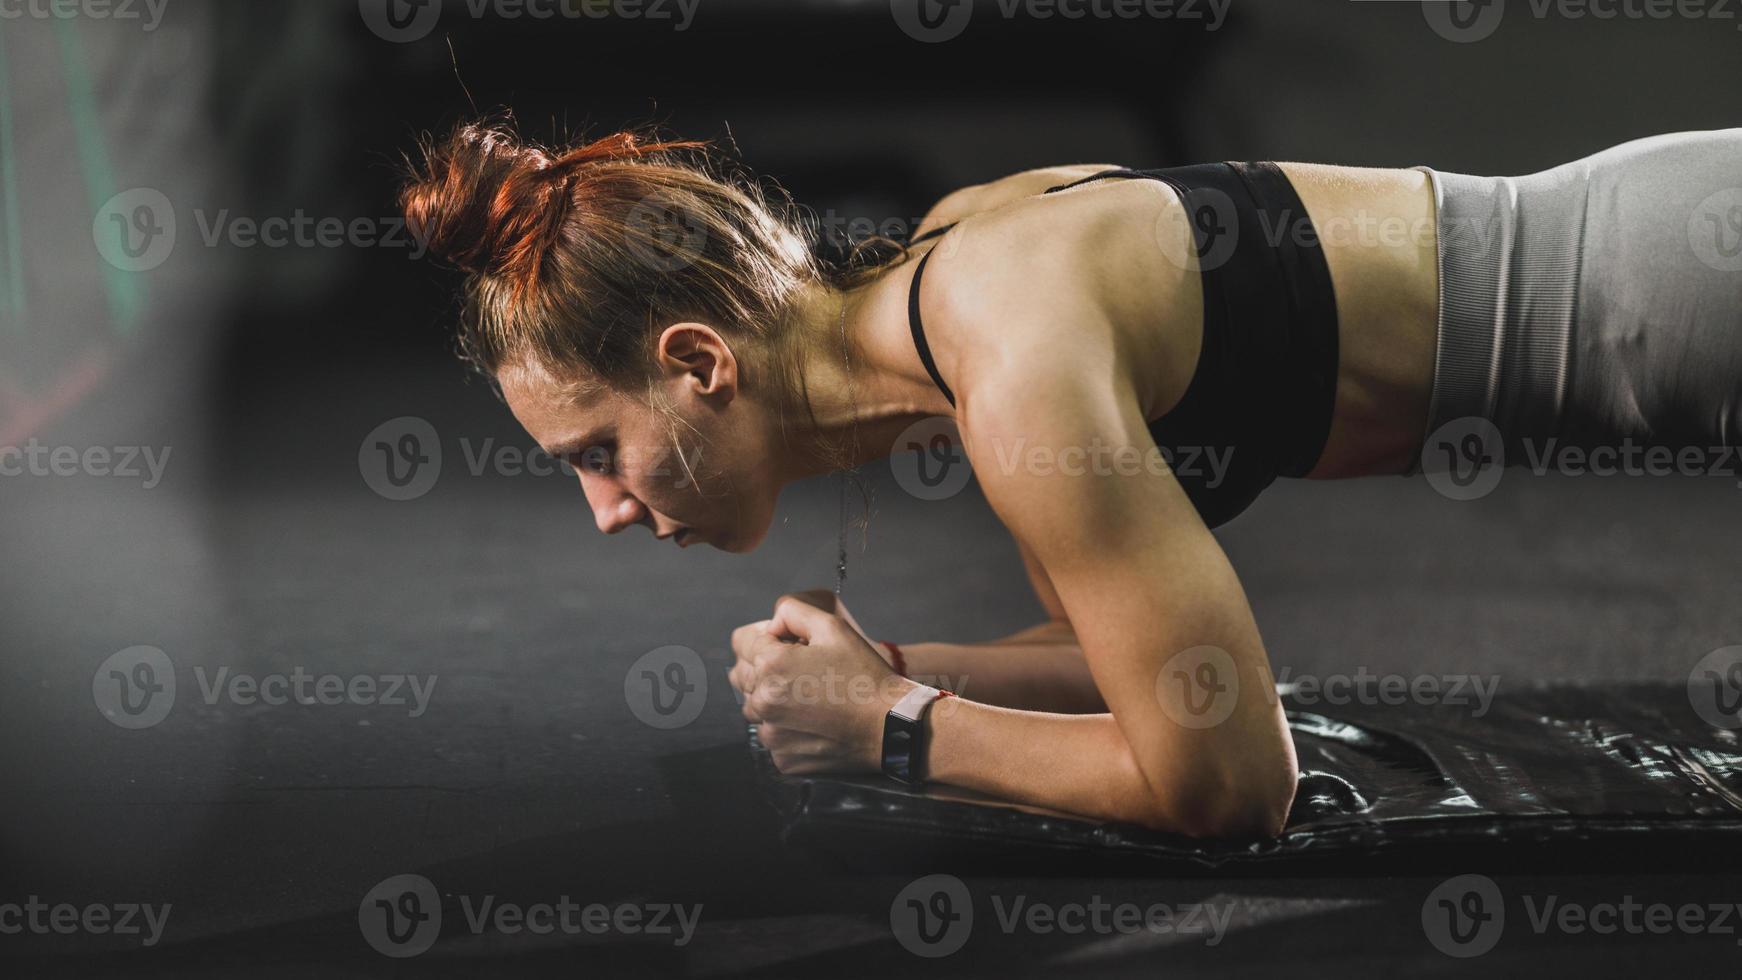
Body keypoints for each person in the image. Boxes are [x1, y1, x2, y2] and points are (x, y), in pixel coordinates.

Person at [401, 119, 1742, 837]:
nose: (607, 510)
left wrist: (898, 731)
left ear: (698, 362)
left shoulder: (1007, 350)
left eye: (597, 453)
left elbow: (1230, 784)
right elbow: (1121, 661)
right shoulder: (952, 289)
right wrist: (895, 666)